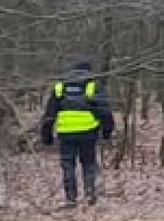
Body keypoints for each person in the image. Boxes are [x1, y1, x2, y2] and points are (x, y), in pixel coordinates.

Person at [40, 60, 114, 208]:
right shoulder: (93, 86)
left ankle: (70, 198)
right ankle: (89, 193)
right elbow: (105, 112)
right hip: (88, 132)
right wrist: (107, 132)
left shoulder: (60, 87)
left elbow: (49, 115)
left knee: (68, 164)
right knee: (88, 163)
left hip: (66, 133)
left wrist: (46, 136)